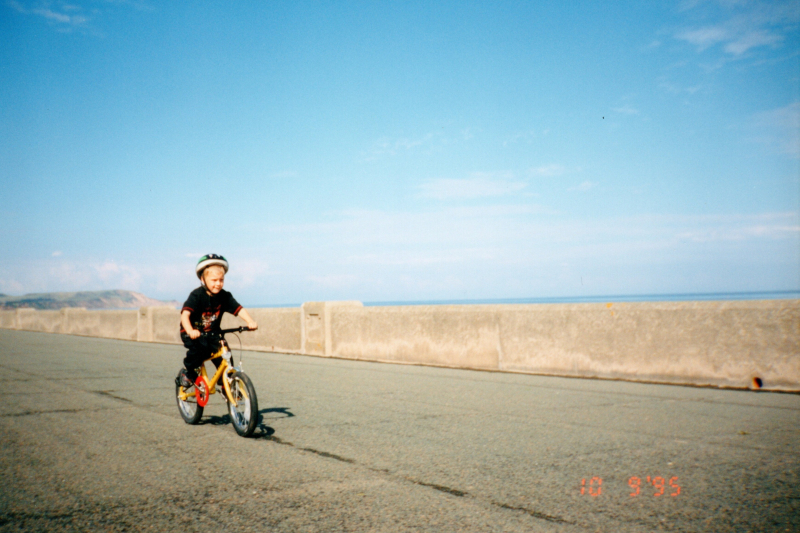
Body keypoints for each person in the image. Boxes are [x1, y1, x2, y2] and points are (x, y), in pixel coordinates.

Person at [176, 254, 258, 389]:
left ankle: (226, 382)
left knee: (225, 354)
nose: (218, 284)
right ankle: (188, 372)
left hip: (213, 333)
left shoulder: (224, 296)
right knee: (199, 350)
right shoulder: (197, 295)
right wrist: (190, 330)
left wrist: (250, 321)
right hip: (192, 333)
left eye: (221, 280)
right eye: (214, 280)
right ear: (203, 279)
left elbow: (239, 309)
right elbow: (185, 315)